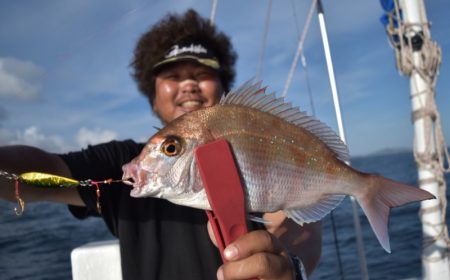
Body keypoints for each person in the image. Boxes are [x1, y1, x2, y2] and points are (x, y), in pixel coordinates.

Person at [0, 9, 321, 280]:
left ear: (223, 87)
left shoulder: (250, 150)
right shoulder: (123, 160)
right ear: (152, 96)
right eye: (173, 76)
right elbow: (45, 172)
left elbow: (296, 223)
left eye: (202, 73)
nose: (189, 85)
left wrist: (286, 262)